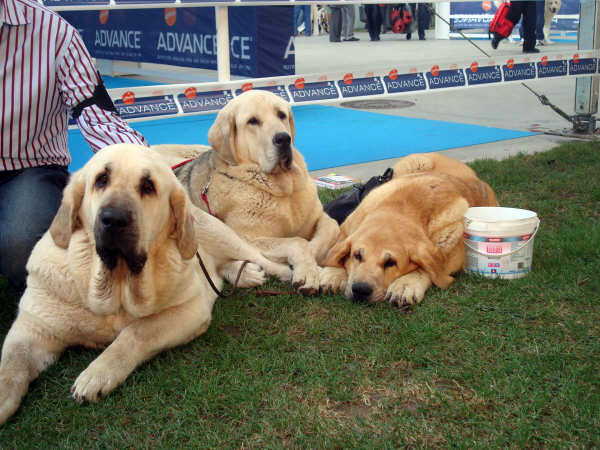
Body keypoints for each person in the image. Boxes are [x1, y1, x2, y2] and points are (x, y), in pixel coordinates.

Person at [0, 0, 149, 292]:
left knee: (21, 242)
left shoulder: (55, 31)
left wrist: (146, 166)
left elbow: (96, 112)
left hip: (30, 168)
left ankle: (38, 288)